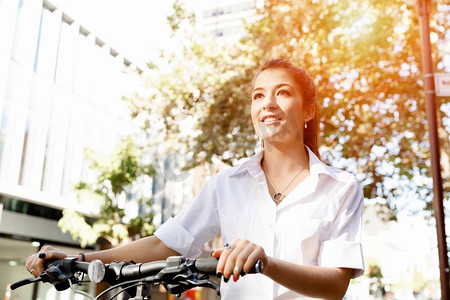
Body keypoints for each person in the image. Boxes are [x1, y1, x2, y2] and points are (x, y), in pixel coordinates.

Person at [26, 58, 364, 299]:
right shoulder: (226, 184)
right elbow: (163, 244)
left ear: (308, 110)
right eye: (259, 95)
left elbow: (335, 285)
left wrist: (265, 263)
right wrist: (78, 260)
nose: (268, 103)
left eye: (283, 92)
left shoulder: (341, 187)